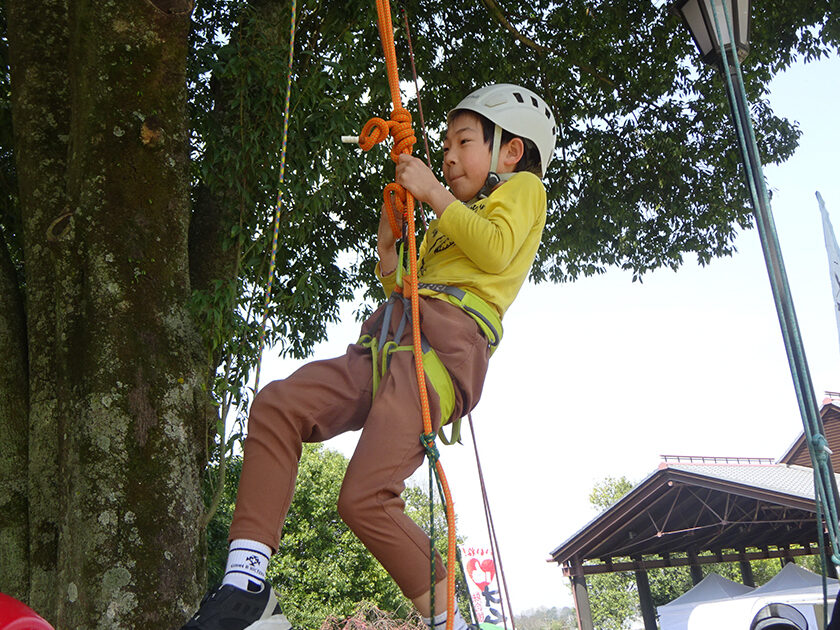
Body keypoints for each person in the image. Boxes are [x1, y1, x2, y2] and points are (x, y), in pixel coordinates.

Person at [181, 83, 557, 630]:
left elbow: (495, 248)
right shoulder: (446, 224)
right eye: (445, 143)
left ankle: (454, 618)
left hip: (438, 353)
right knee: (278, 405)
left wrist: (432, 193)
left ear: (511, 151)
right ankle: (246, 584)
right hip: (388, 342)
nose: (448, 154)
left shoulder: (522, 192)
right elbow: (402, 285)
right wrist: (388, 248)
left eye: (464, 141)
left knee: (364, 499)